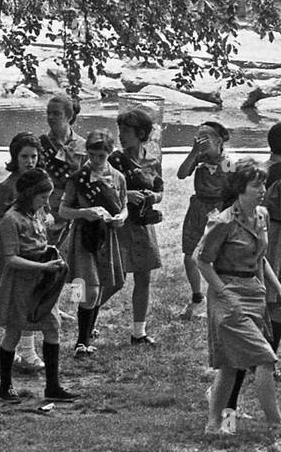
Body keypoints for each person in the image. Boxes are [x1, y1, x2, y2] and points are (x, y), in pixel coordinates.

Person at [195, 158, 281, 439]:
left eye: (263, 184)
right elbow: (203, 261)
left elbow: (261, 258)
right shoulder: (222, 222)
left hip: (253, 293)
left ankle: (214, 425)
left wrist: (278, 288)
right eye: (256, 185)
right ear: (239, 188)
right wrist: (224, 294)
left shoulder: (261, 216)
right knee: (264, 358)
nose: (262, 190)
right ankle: (276, 422)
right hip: (228, 296)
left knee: (231, 365)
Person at [0, 169, 77, 402]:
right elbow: (10, 259)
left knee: (52, 327)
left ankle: (52, 386)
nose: (46, 203)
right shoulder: (11, 219)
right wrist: (41, 268)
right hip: (22, 282)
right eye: (42, 197)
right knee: (14, 331)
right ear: (28, 194)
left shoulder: (36, 213)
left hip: (43, 283)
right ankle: (5, 387)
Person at [58, 129, 128, 358]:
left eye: (101, 156)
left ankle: (87, 333)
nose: (96, 160)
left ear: (109, 153)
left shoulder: (118, 178)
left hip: (108, 237)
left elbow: (124, 205)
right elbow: (63, 210)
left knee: (108, 283)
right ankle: (81, 341)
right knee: (89, 286)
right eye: (92, 155)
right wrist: (84, 212)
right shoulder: (78, 179)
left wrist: (121, 218)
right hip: (84, 236)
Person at [0, 132, 47, 374]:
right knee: (16, 300)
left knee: (32, 298)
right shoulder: (7, 186)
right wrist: (16, 218)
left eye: (34, 156)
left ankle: (27, 350)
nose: (30, 161)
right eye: (24, 156)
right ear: (15, 157)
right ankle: (19, 351)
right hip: (13, 248)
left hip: (36, 247)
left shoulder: (41, 181)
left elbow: (46, 211)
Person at [111, 107, 165, 346]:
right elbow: (104, 194)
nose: (121, 135)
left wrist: (153, 197)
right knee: (113, 279)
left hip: (143, 224)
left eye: (127, 130)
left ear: (141, 133)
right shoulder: (114, 159)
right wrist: (127, 195)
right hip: (121, 224)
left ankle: (138, 332)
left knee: (143, 278)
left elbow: (160, 191)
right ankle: (86, 318)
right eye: (120, 129)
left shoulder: (153, 159)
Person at [177, 120, 233, 320]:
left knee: (215, 255)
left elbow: (233, 188)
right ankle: (196, 295)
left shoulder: (227, 162)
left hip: (218, 211)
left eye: (205, 137)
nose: (200, 140)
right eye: (198, 136)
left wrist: (222, 209)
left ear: (219, 141)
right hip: (198, 210)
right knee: (189, 255)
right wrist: (193, 153)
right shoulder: (198, 159)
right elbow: (181, 174)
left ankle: (220, 296)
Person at [38, 93, 86, 241]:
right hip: (48, 210)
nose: (51, 117)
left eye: (57, 113)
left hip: (74, 209)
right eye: (48, 113)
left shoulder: (83, 145)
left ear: (69, 117)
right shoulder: (39, 145)